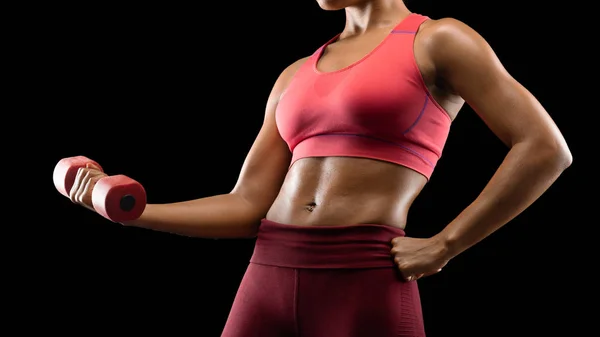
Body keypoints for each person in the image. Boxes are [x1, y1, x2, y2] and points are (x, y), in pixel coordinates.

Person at [67, 0, 572, 336]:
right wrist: (136, 212)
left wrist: (446, 244)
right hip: (267, 273)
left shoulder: (439, 40)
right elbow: (246, 205)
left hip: (363, 277)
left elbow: (544, 148)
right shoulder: (295, 74)